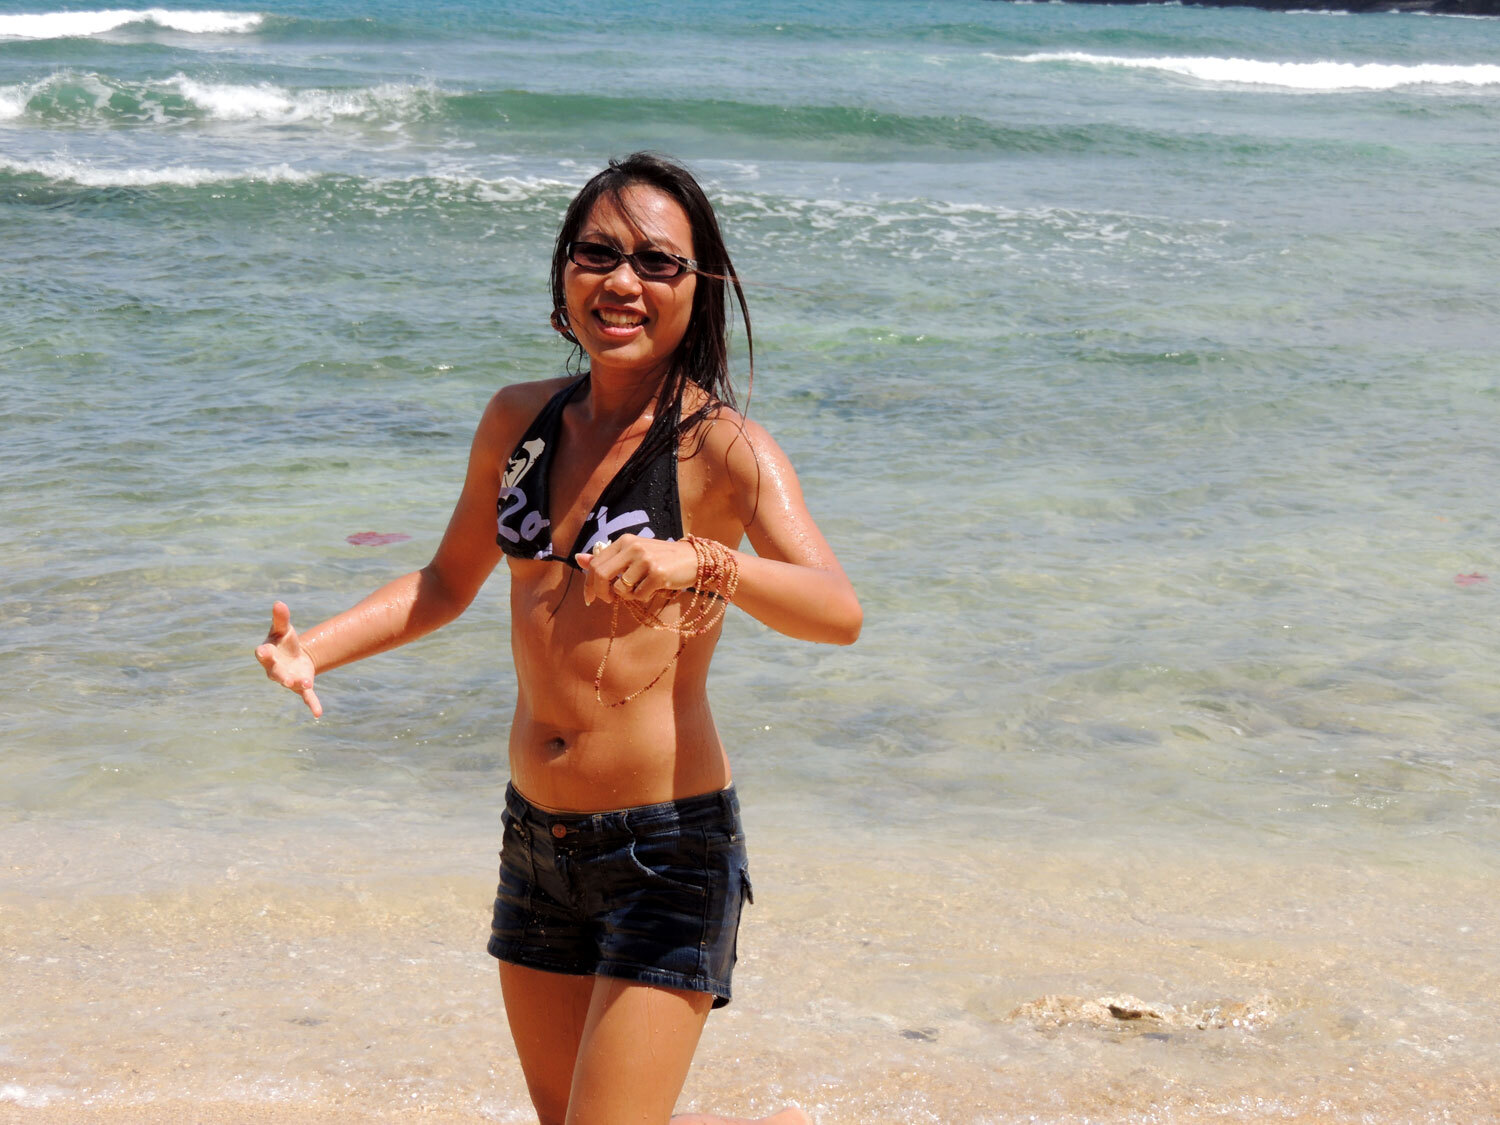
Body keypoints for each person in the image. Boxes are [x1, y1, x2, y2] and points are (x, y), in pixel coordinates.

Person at [256, 151, 860, 1125]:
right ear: (564, 273)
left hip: (667, 851)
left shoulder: (722, 449)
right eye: (598, 253)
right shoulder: (518, 421)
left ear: (697, 291)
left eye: (657, 263)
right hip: (534, 846)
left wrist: (707, 562)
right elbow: (446, 581)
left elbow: (839, 609)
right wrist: (312, 651)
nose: (622, 280)